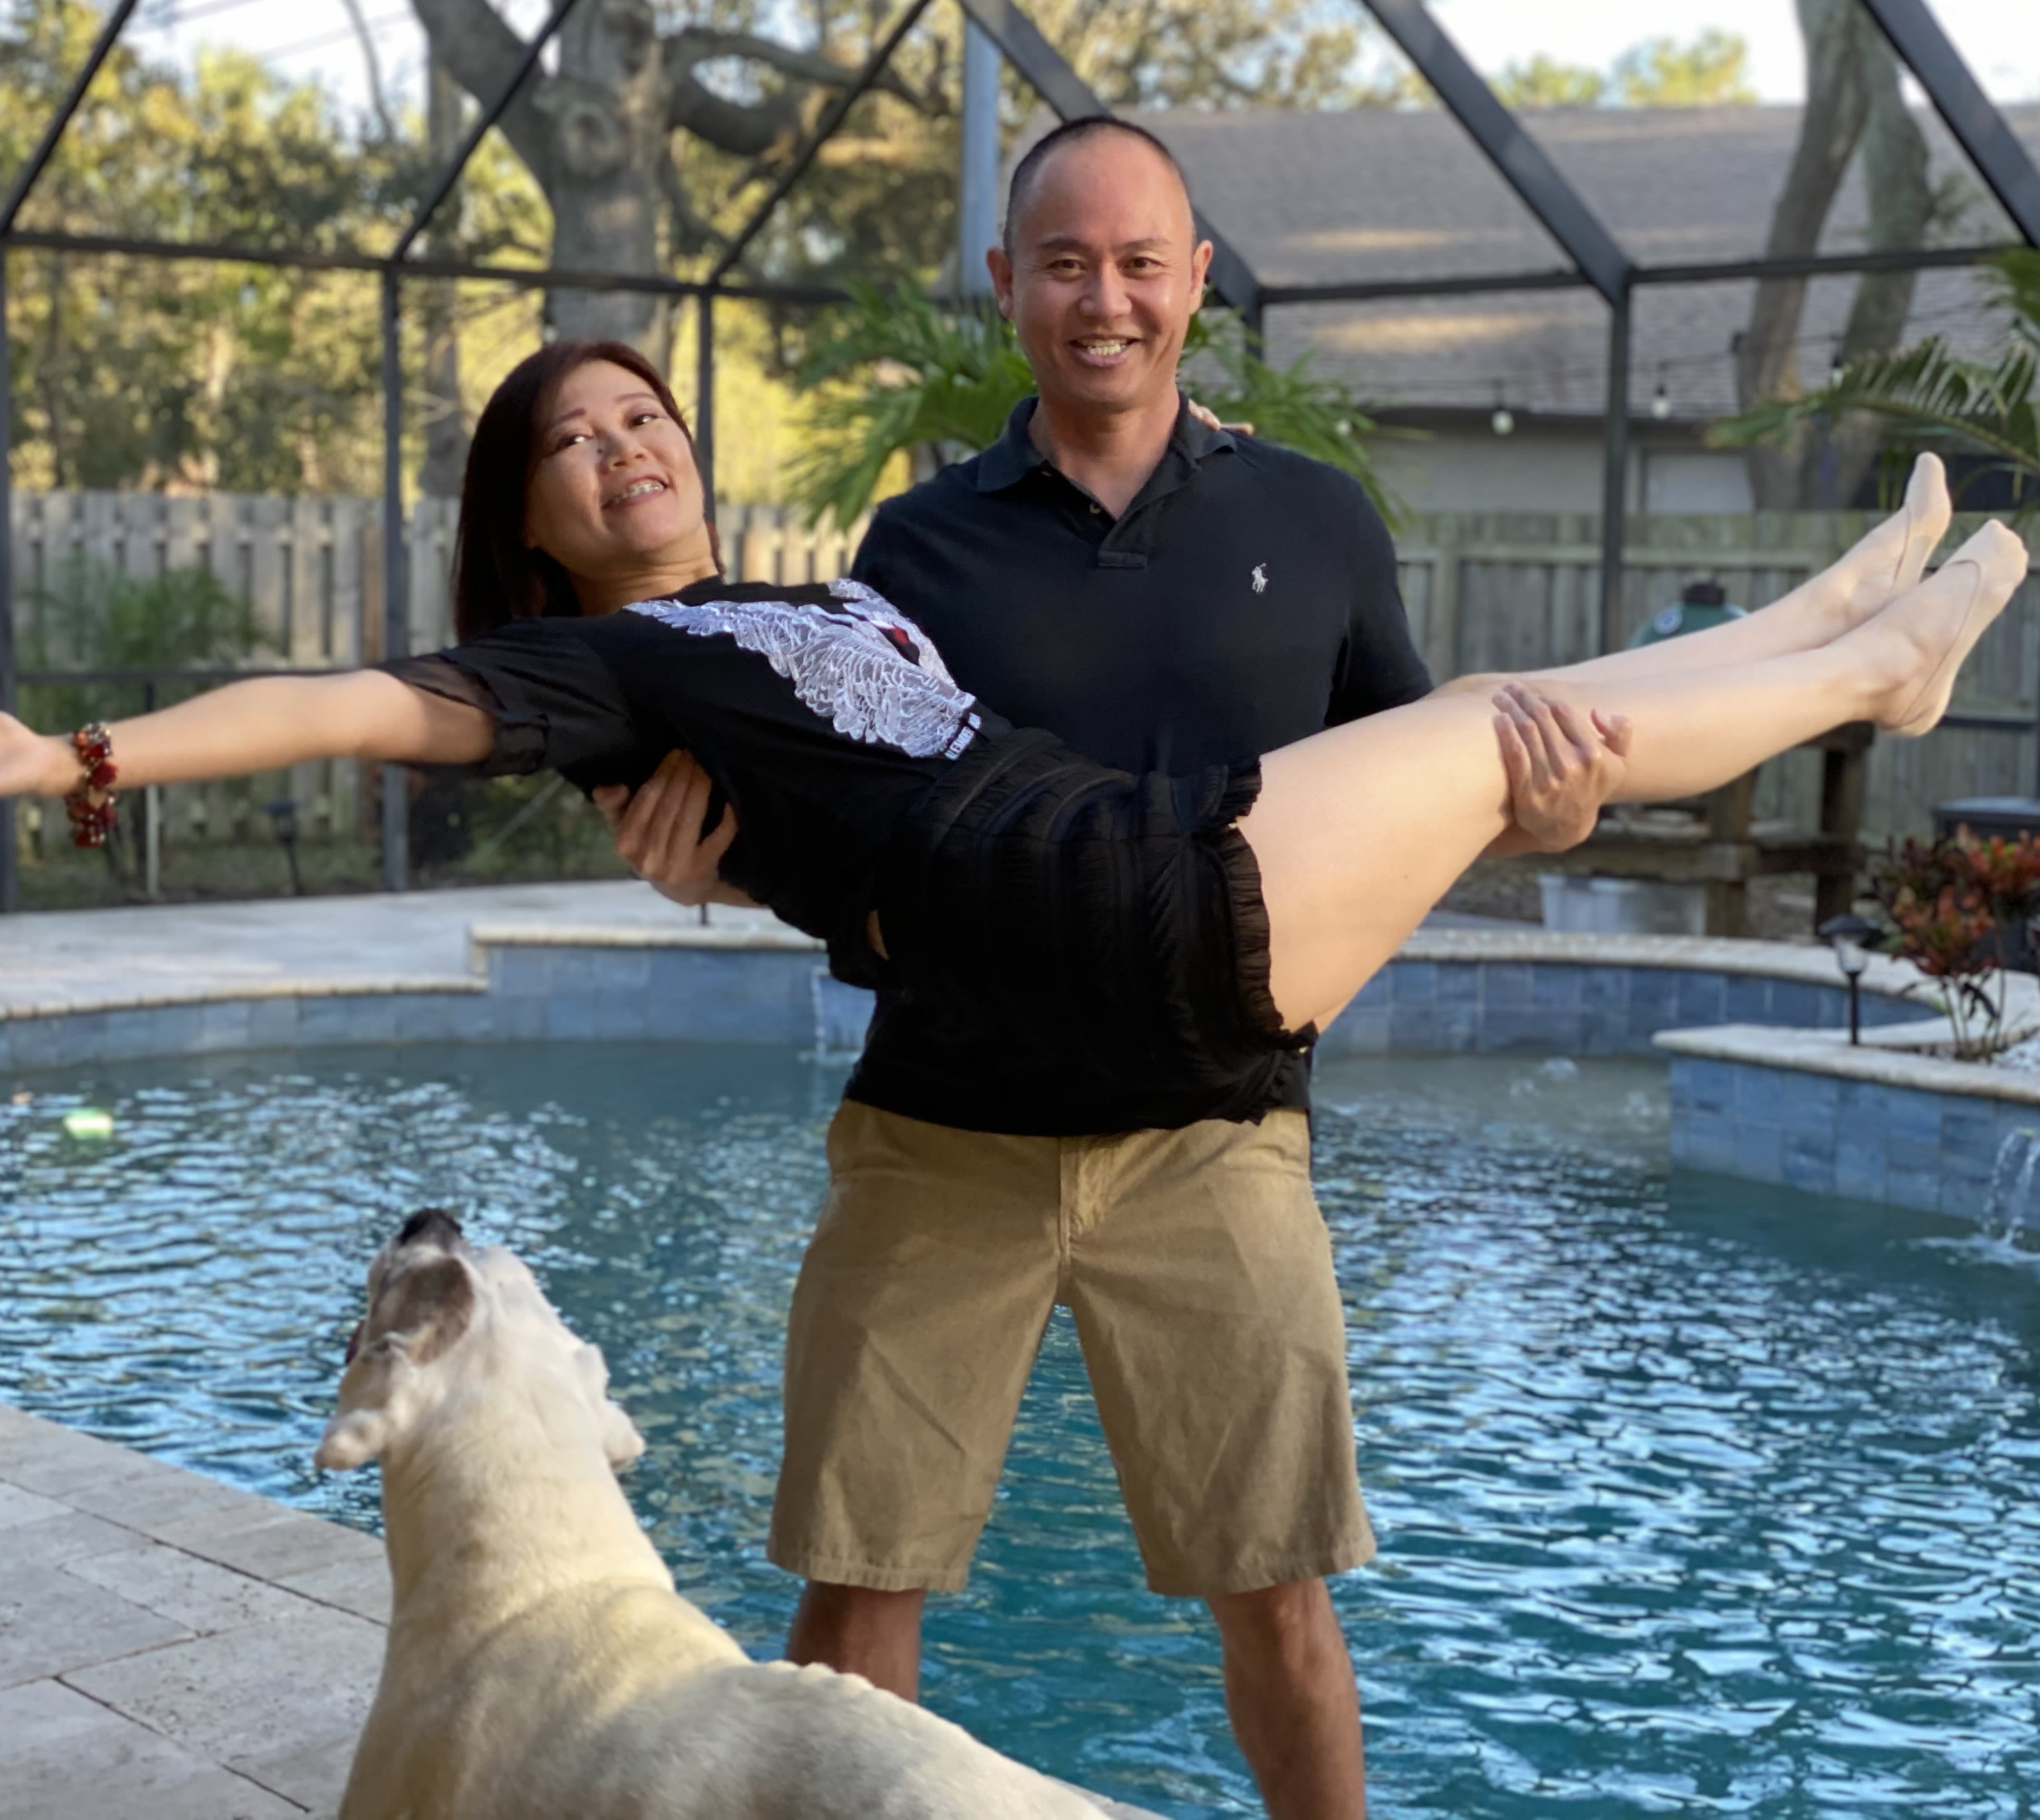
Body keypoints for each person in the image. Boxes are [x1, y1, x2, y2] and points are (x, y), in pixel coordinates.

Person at [0, 339, 2015, 1808]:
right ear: (538, 527)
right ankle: (1867, 670)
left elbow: (853, 829)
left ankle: (1838, 637)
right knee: (1499, 724)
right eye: (573, 443)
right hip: (1116, 917)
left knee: (1517, 714)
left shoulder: (820, 595)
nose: (626, 443)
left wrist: (778, 872)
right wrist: (81, 751)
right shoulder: (599, 667)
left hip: (1136, 914)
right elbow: (351, 701)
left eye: (642, 409)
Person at [588, 115, 1968, 1820]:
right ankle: (1857, 646)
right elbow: (882, 851)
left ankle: (1853, 635)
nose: (1107, 299)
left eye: (1141, 263)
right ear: (1007, 282)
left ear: (1197, 285)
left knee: (1280, 1598)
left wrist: (1546, 818)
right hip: (941, 1130)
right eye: (1069, 263)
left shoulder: (1311, 522)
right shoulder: (915, 556)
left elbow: (1425, 782)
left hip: (1215, 1137)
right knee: (858, 1589)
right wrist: (716, 880)